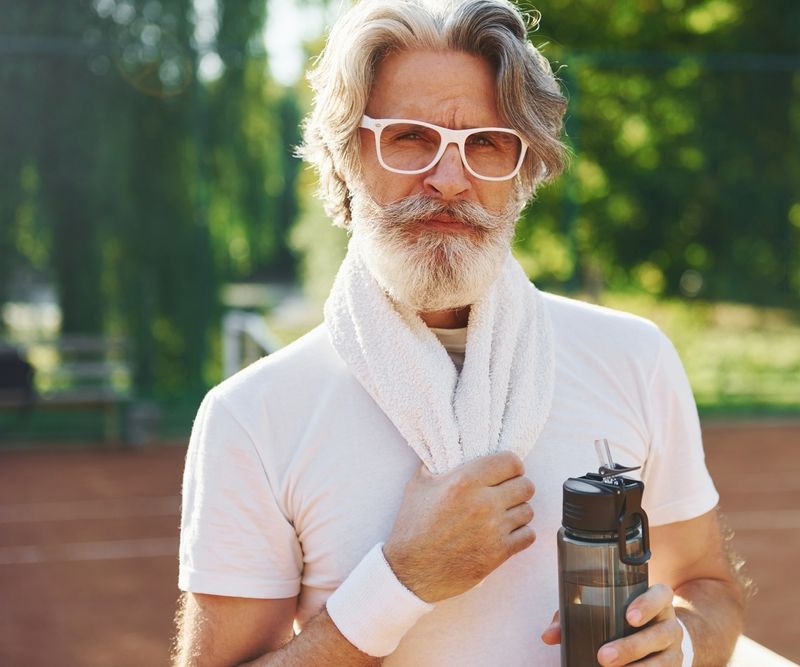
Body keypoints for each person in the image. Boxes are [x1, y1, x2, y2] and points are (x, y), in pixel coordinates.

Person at [172, 1, 746, 665]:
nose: (449, 180)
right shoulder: (252, 415)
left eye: (487, 144)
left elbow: (709, 585)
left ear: (523, 173)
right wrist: (401, 580)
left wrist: (683, 644)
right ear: (347, 157)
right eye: (410, 137)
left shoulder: (633, 358)